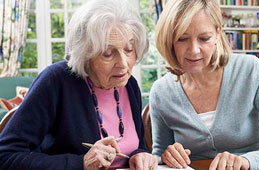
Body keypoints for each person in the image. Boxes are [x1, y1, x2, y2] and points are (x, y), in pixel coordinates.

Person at [0, 0, 158, 169]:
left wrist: (139, 155)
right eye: (108, 54)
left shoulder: (129, 85)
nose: (124, 64)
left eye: (129, 50)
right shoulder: (55, 81)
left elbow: (136, 145)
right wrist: (80, 163)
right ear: (85, 55)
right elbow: (6, 156)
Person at [150, 0, 259, 169]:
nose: (194, 50)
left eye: (204, 38)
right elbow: (159, 156)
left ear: (217, 34)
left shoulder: (250, 70)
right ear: (169, 40)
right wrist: (167, 156)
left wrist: (247, 161)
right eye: (182, 39)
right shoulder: (161, 91)